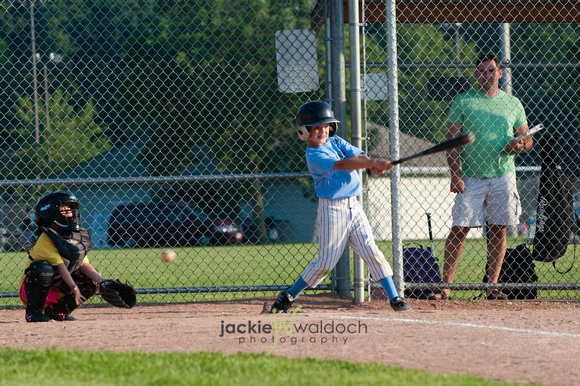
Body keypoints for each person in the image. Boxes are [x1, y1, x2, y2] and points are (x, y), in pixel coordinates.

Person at [270, 101, 411, 313]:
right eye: (316, 128)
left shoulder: (335, 141)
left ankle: (395, 298)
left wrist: (371, 165)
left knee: (371, 251)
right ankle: (290, 294)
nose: (322, 131)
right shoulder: (314, 154)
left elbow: (357, 157)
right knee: (325, 263)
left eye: (325, 126)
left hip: (354, 206)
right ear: (304, 131)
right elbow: (344, 165)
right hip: (332, 210)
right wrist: (373, 162)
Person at [434, 54, 533, 300]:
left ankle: (492, 287)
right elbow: (452, 142)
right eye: (481, 71)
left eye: (491, 71)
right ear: (476, 74)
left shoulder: (512, 103)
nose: (487, 75)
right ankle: (445, 288)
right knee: (459, 228)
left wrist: (519, 145)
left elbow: (527, 139)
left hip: (503, 174)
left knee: (499, 230)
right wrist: (455, 174)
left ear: (500, 73)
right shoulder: (463, 101)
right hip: (471, 176)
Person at [19, 191, 108, 322]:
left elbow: (83, 264)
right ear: (50, 214)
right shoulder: (46, 238)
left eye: (70, 210)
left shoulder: (75, 236)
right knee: (43, 268)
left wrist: (103, 282)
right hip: (33, 289)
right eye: (64, 210)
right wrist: (74, 288)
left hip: (60, 287)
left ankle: (59, 310)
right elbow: (60, 265)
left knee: (92, 278)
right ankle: (34, 312)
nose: (70, 213)